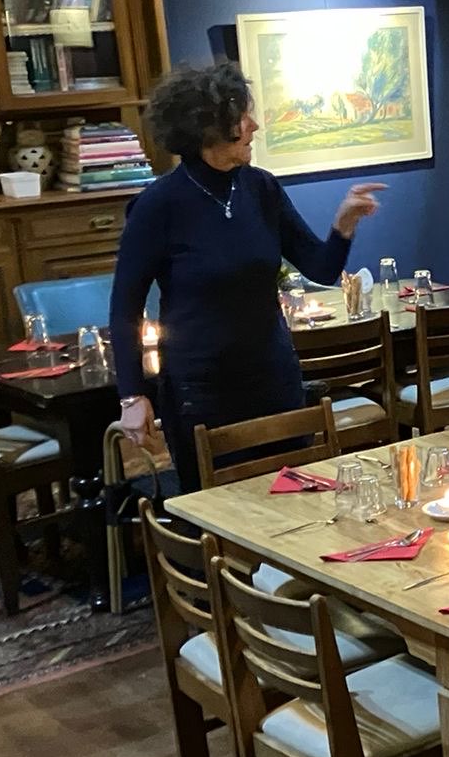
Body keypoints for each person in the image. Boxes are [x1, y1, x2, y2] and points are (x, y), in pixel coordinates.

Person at [111, 62, 385, 489]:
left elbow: (321, 268)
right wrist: (133, 395)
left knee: (294, 498)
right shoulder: (158, 205)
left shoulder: (261, 188)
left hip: (274, 379)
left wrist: (344, 223)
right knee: (214, 509)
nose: (254, 126)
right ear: (209, 127)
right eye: (242, 117)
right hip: (201, 390)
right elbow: (125, 307)